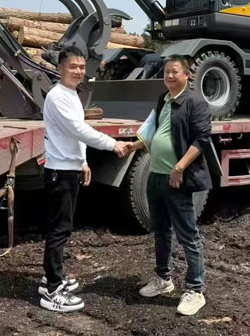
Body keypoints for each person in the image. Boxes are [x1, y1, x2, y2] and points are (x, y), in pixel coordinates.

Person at [39, 45, 129, 313]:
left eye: (81, 67)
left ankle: (49, 280)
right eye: (72, 67)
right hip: (60, 172)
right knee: (59, 230)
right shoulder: (57, 97)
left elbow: (73, 135)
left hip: (69, 167)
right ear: (60, 68)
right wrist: (113, 144)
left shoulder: (71, 94)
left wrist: (84, 162)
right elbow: (79, 130)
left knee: (62, 227)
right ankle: (52, 292)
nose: (78, 71)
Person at [124, 54, 212, 316]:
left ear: (186, 75)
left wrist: (180, 167)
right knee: (160, 230)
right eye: (166, 72)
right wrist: (135, 145)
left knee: (187, 235)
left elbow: (202, 139)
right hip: (156, 176)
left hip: (176, 178)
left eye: (175, 72)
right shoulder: (163, 100)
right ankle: (164, 279)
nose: (169, 76)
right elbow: (156, 134)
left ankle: (195, 291)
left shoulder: (195, 102)